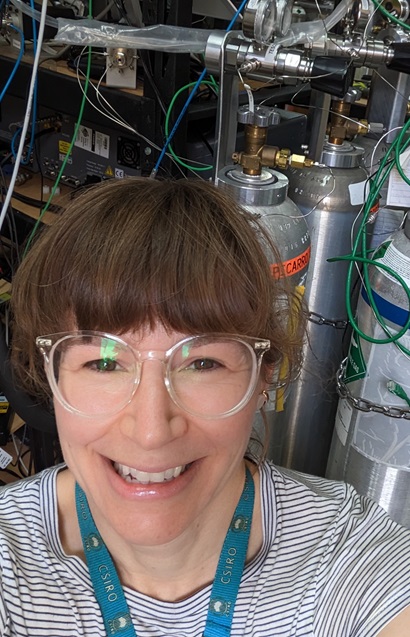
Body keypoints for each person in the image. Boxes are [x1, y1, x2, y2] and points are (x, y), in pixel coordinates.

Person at [1, 177, 410, 637]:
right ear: (51, 374)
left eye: (201, 363)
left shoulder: (344, 555)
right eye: (103, 362)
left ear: (263, 377)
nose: (151, 431)